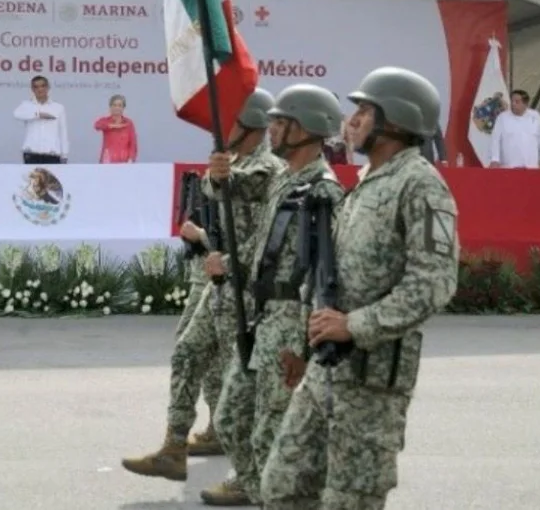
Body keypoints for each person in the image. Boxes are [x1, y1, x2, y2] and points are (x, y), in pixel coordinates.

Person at [260, 66, 461, 510]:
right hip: (324, 370)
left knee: (349, 501)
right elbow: (328, 277)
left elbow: (435, 282)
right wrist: (304, 344)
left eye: (365, 111)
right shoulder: (368, 180)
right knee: (282, 487)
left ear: (396, 120)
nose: (351, 121)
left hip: (372, 385)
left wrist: (354, 325)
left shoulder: (422, 185)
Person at [121, 88, 284, 483]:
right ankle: (173, 447)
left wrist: (221, 174)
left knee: (238, 378)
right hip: (221, 285)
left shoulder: (268, 168)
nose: (222, 129)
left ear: (251, 125)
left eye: (231, 122)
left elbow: (243, 188)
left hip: (248, 293)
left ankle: (250, 474)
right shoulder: (236, 163)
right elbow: (218, 187)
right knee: (187, 353)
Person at [201, 84, 347, 507]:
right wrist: (217, 175)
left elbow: (325, 277)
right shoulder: (282, 178)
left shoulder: (323, 191)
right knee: (230, 419)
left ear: (306, 128)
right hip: (262, 317)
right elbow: (231, 197)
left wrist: (304, 345)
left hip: (290, 324)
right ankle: (258, 491)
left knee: (271, 435)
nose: (272, 130)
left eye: (281, 123)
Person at [488, 89, 540, 168]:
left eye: (517, 102)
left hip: (531, 166)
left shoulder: (535, 116)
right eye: (512, 101)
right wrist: (494, 159)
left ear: (525, 104)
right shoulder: (502, 118)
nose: (513, 104)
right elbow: (495, 140)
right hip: (508, 166)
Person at [13, 75, 69, 164]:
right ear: (32, 89)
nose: (40, 89)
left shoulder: (58, 107)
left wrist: (64, 154)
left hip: (52, 153)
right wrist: (38, 115)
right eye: (36, 87)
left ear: (48, 87)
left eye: (43, 86)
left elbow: (63, 132)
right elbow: (16, 114)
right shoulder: (27, 105)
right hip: (31, 153)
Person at [94, 94, 138, 163]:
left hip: (125, 161)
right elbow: (97, 126)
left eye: (120, 105)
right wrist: (112, 126)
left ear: (123, 108)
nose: (117, 108)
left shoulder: (128, 123)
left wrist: (131, 159)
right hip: (107, 161)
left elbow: (133, 144)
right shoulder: (105, 120)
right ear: (110, 107)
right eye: (114, 105)